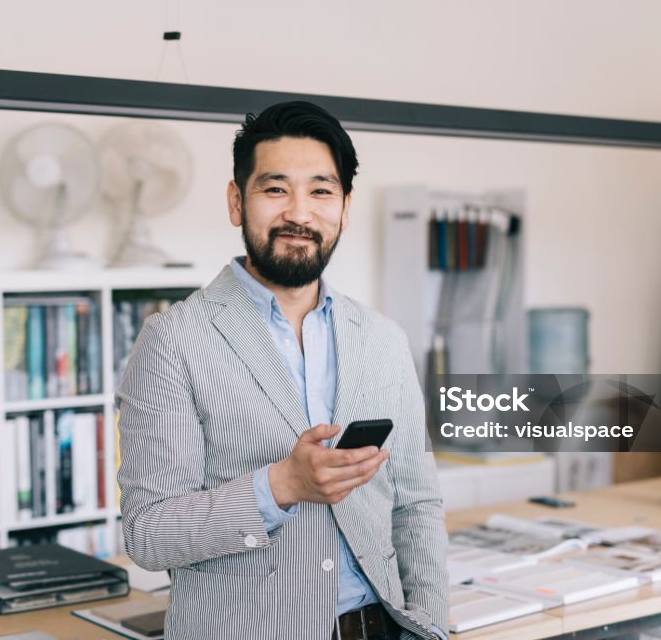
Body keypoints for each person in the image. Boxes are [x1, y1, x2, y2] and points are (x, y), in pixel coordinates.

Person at [117, 100, 448, 640]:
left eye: (321, 191)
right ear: (236, 201)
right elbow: (149, 533)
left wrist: (431, 625)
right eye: (275, 189)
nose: (299, 212)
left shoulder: (383, 340)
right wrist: (281, 485)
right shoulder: (173, 341)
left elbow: (416, 506)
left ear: (345, 206)